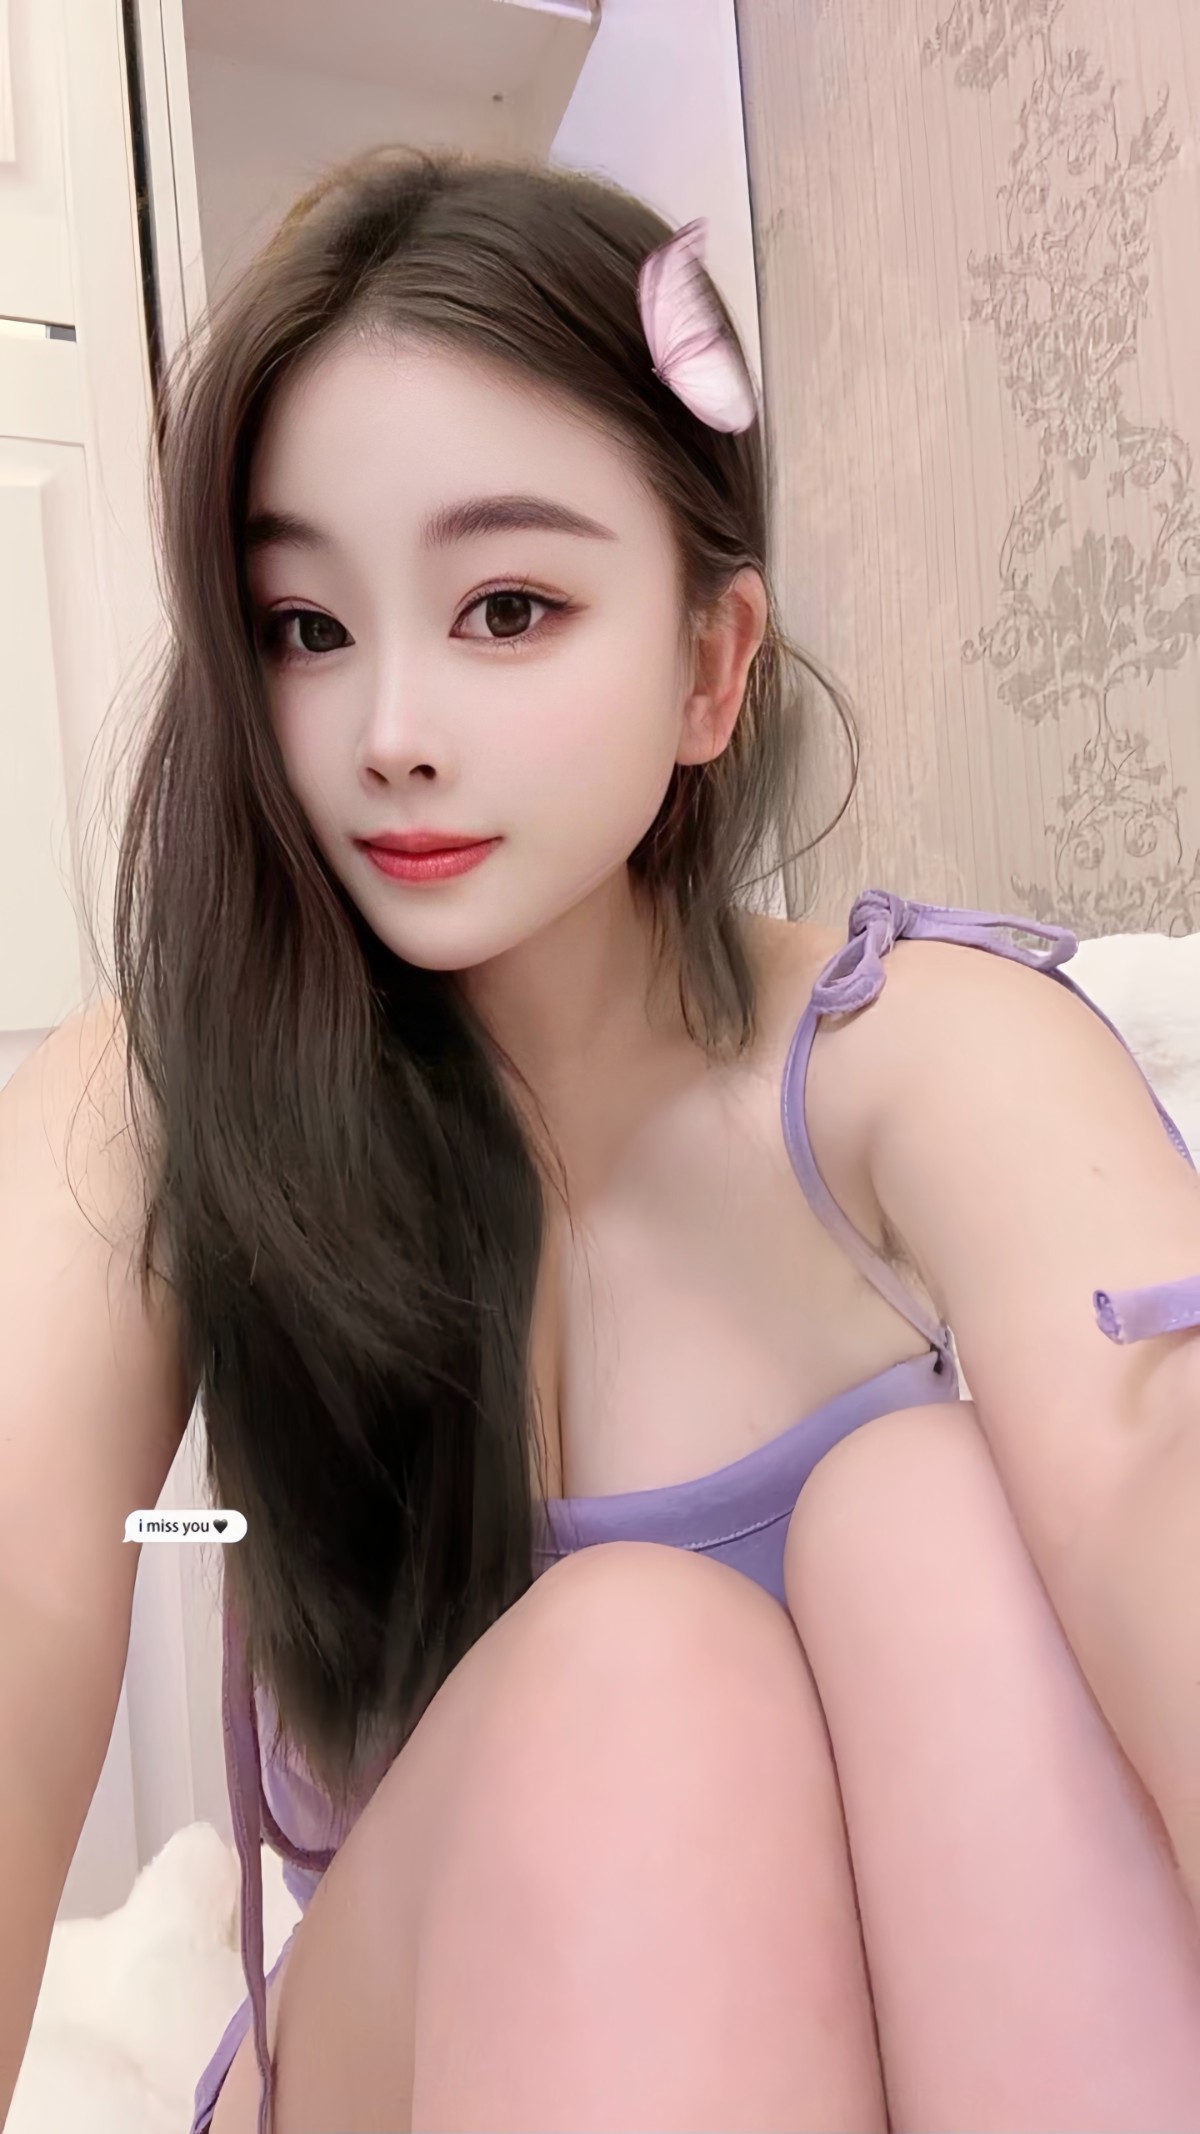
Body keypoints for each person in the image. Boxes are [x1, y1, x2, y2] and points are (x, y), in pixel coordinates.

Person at [2, 148, 1199, 2134]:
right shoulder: (157, 1103)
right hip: (402, 2064)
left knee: (931, 1520)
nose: (389, 727)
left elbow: (1158, 1466)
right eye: (303, 626)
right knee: (642, 1668)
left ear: (713, 664)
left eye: (507, 607)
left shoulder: (918, 1052)